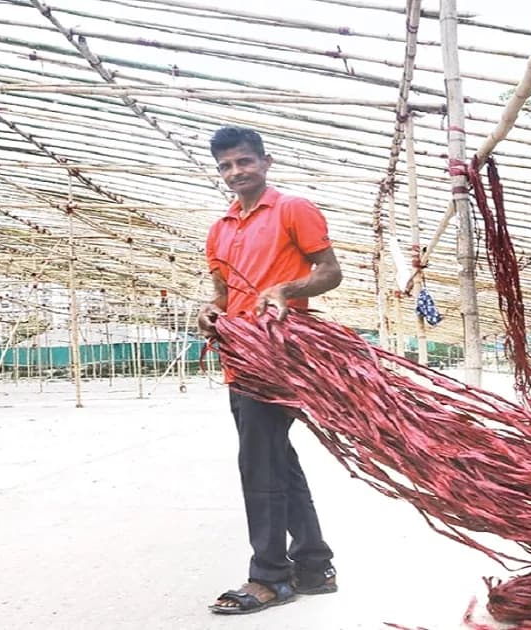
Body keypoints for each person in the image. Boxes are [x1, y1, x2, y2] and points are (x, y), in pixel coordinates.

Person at [197, 126, 343, 615]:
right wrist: (210, 313)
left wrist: (285, 290)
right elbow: (222, 294)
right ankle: (314, 567)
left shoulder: (292, 209)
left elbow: (329, 271)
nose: (236, 172)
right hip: (239, 356)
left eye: (244, 162)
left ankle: (269, 577)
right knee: (277, 458)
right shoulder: (219, 229)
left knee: (258, 465)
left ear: (265, 161)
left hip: (280, 353)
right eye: (226, 166)